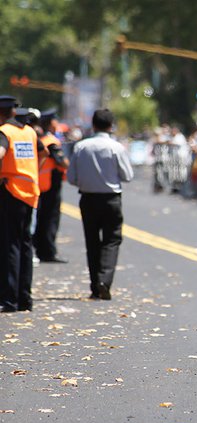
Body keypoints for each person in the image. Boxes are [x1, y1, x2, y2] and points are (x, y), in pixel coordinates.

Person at [67, 109, 133, 300]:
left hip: (88, 198)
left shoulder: (81, 147)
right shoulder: (116, 148)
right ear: (111, 127)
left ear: (93, 125)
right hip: (111, 199)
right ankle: (104, 280)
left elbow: (71, 177)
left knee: (92, 241)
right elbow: (127, 175)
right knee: (111, 240)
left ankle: (95, 286)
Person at [0, 95, 46, 312]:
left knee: (11, 245)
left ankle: (9, 299)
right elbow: (43, 152)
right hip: (30, 192)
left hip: (11, 191)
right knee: (25, 244)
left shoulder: (5, 133)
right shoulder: (28, 131)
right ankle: (25, 299)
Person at [34, 108, 69, 263]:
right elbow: (62, 162)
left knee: (41, 219)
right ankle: (48, 252)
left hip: (40, 185)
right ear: (50, 123)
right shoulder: (51, 142)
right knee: (50, 220)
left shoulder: (40, 138)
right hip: (49, 186)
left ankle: (42, 249)